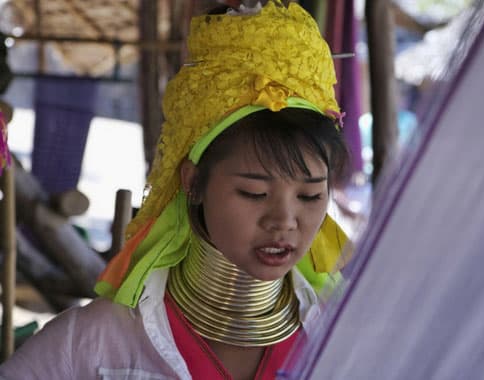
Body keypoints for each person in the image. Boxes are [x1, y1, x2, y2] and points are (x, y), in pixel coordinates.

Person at [0, 1, 350, 379]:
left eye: (310, 196)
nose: (284, 221)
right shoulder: (91, 345)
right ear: (192, 181)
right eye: (254, 193)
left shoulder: (347, 342)